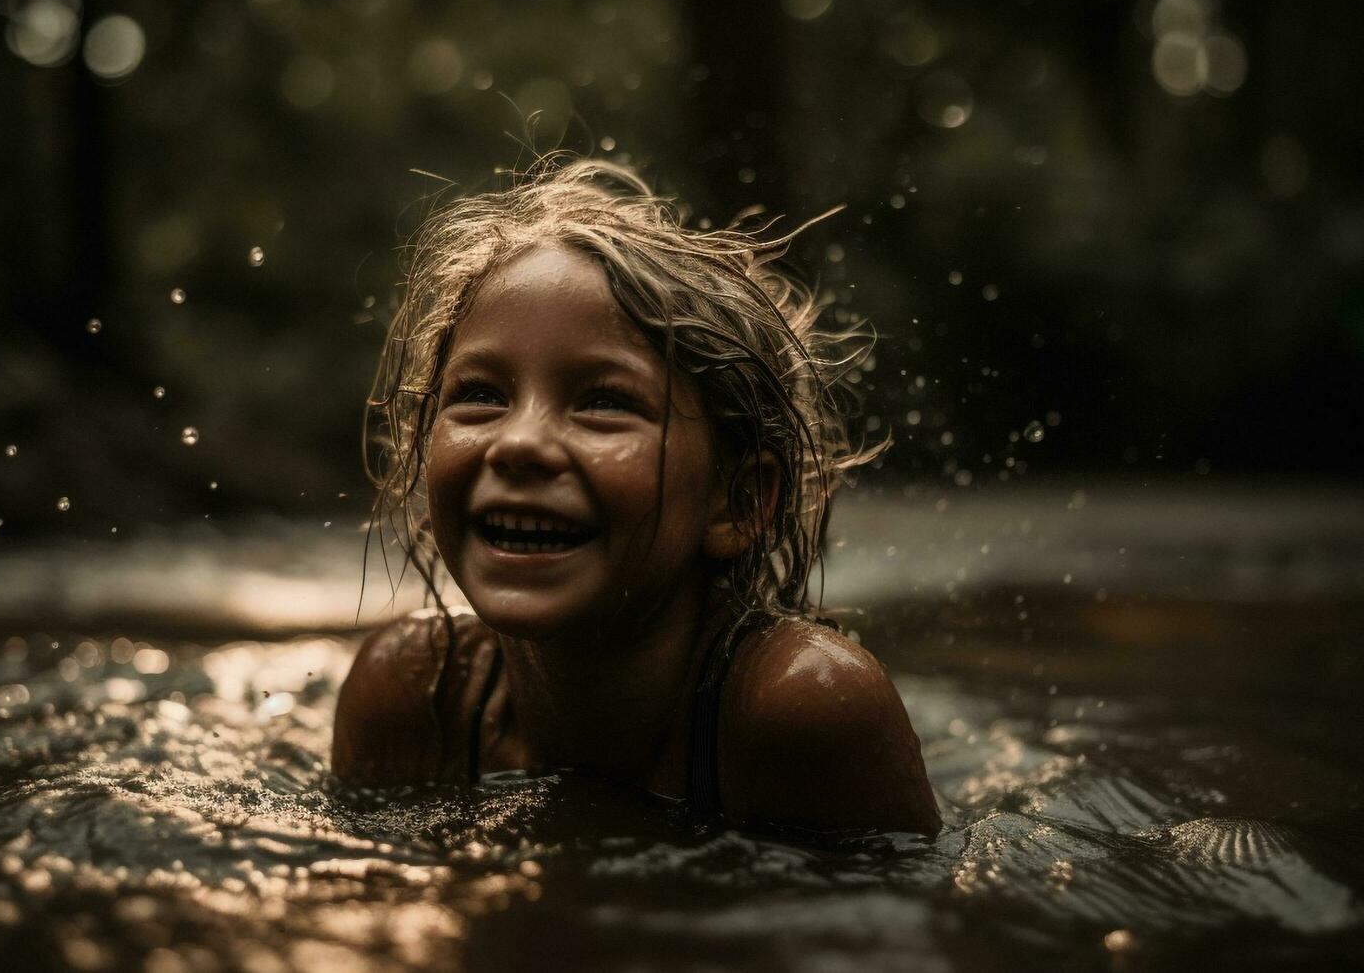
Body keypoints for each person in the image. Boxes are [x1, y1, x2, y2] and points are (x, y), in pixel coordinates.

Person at [332, 157, 940, 837]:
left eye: (602, 402)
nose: (517, 444)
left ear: (737, 502)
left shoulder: (805, 707)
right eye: (480, 396)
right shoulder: (415, 697)